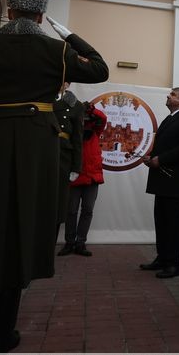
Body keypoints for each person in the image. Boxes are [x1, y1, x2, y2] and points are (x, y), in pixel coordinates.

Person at [0, 0, 108, 352]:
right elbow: (99, 68)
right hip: (38, 150)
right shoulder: (56, 51)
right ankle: (3, 332)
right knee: (21, 235)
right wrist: (68, 34)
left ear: (9, 11)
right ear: (40, 16)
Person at [139, 87, 179, 278]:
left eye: (172, 95)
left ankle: (174, 263)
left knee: (173, 223)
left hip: (174, 180)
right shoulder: (169, 119)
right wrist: (151, 157)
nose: (168, 96)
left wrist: (160, 160)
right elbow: (164, 146)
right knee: (161, 221)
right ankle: (162, 258)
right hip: (161, 179)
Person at [61, 101, 107, 257]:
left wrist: (91, 109)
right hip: (75, 177)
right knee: (71, 211)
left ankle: (81, 243)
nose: (85, 122)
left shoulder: (96, 131)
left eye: (87, 119)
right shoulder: (72, 134)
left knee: (87, 211)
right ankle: (69, 243)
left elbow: (103, 118)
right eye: (83, 119)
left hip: (92, 178)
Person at [54, 82, 84, 255]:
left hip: (62, 157)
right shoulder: (40, 99)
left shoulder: (75, 105)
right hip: (39, 155)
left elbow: (77, 138)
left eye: (64, 79)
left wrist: (75, 166)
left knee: (57, 203)